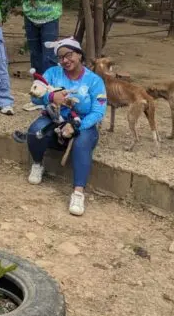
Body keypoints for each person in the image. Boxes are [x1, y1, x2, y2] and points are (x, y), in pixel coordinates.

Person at [13, 38, 107, 216]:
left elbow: (98, 111)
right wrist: (50, 98)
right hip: (54, 118)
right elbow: (34, 96)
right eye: (60, 57)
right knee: (34, 132)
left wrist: (76, 126)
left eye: (69, 55)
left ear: (79, 54)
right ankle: (38, 164)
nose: (65, 60)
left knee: (81, 144)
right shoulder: (52, 73)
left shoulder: (94, 81)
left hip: (83, 123)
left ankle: (78, 192)